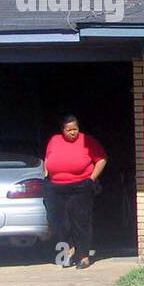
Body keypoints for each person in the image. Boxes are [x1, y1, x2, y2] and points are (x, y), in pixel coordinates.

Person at [44, 115, 108, 269]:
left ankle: (83, 256)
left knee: (80, 221)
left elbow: (101, 159)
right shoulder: (54, 140)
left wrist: (91, 180)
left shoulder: (88, 141)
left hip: (80, 187)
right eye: (69, 130)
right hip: (56, 187)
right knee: (58, 222)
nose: (72, 132)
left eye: (75, 129)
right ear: (63, 130)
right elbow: (47, 158)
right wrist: (46, 173)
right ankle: (65, 254)